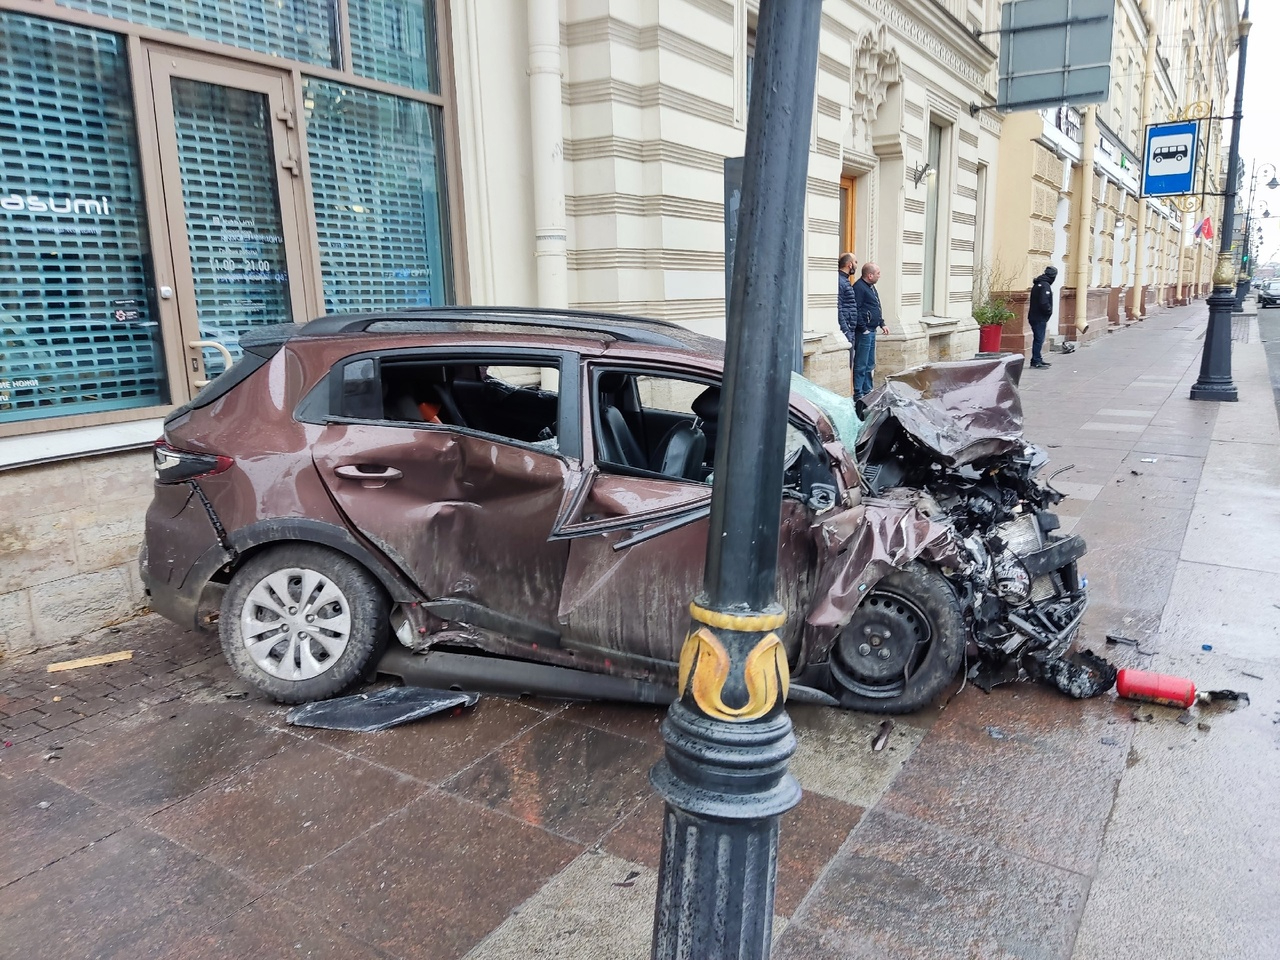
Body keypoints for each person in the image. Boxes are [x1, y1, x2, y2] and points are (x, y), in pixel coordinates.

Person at [851, 262, 888, 402]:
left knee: (869, 363)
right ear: (870, 275)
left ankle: (868, 390)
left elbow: (876, 306)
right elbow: (857, 309)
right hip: (864, 332)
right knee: (861, 363)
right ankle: (859, 393)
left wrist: (882, 323)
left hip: (872, 330)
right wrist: (864, 328)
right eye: (878, 273)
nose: (880, 275)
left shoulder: (872, 287)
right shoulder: (859, 287)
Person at [836, 253, 860, 395]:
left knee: (850, 364)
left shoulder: (844, 281)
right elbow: (838, 306)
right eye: (855, 262)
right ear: (849, 264)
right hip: (847, 330)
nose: (856, 265)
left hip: (850, 328)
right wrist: (845, 329)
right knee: (847, 365)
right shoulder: (840, 281)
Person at [1027, 265, 1058, 369]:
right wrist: (1048, 311)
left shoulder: (1038, 283)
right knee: (1039, 339)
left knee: (1038, 338)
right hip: (1039, 317)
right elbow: (1044, 302)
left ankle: (1038, 359)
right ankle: (1036, 361)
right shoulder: (1045, 285)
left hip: (1034, 316)